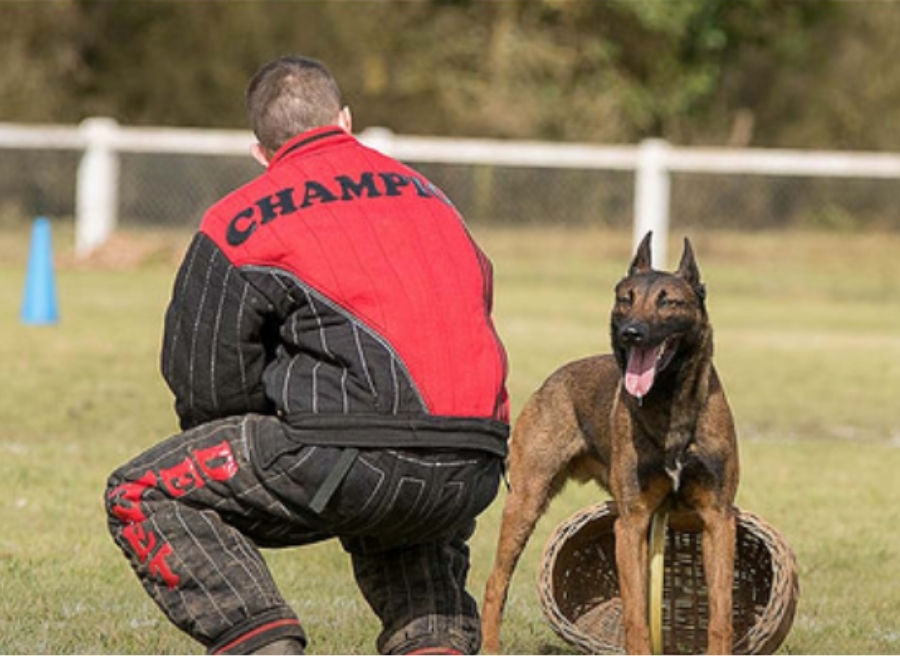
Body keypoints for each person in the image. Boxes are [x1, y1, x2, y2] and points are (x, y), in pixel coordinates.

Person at [104, 55, 510, 655]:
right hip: (474, 463)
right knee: (391, 487)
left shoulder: (240, 219)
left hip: (355, 458)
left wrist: (270, 427)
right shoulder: (433, 196)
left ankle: (263, 642)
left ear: (261, 153)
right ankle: (435, 640)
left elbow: (207, 386)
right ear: (345, 121)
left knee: (140, 492)